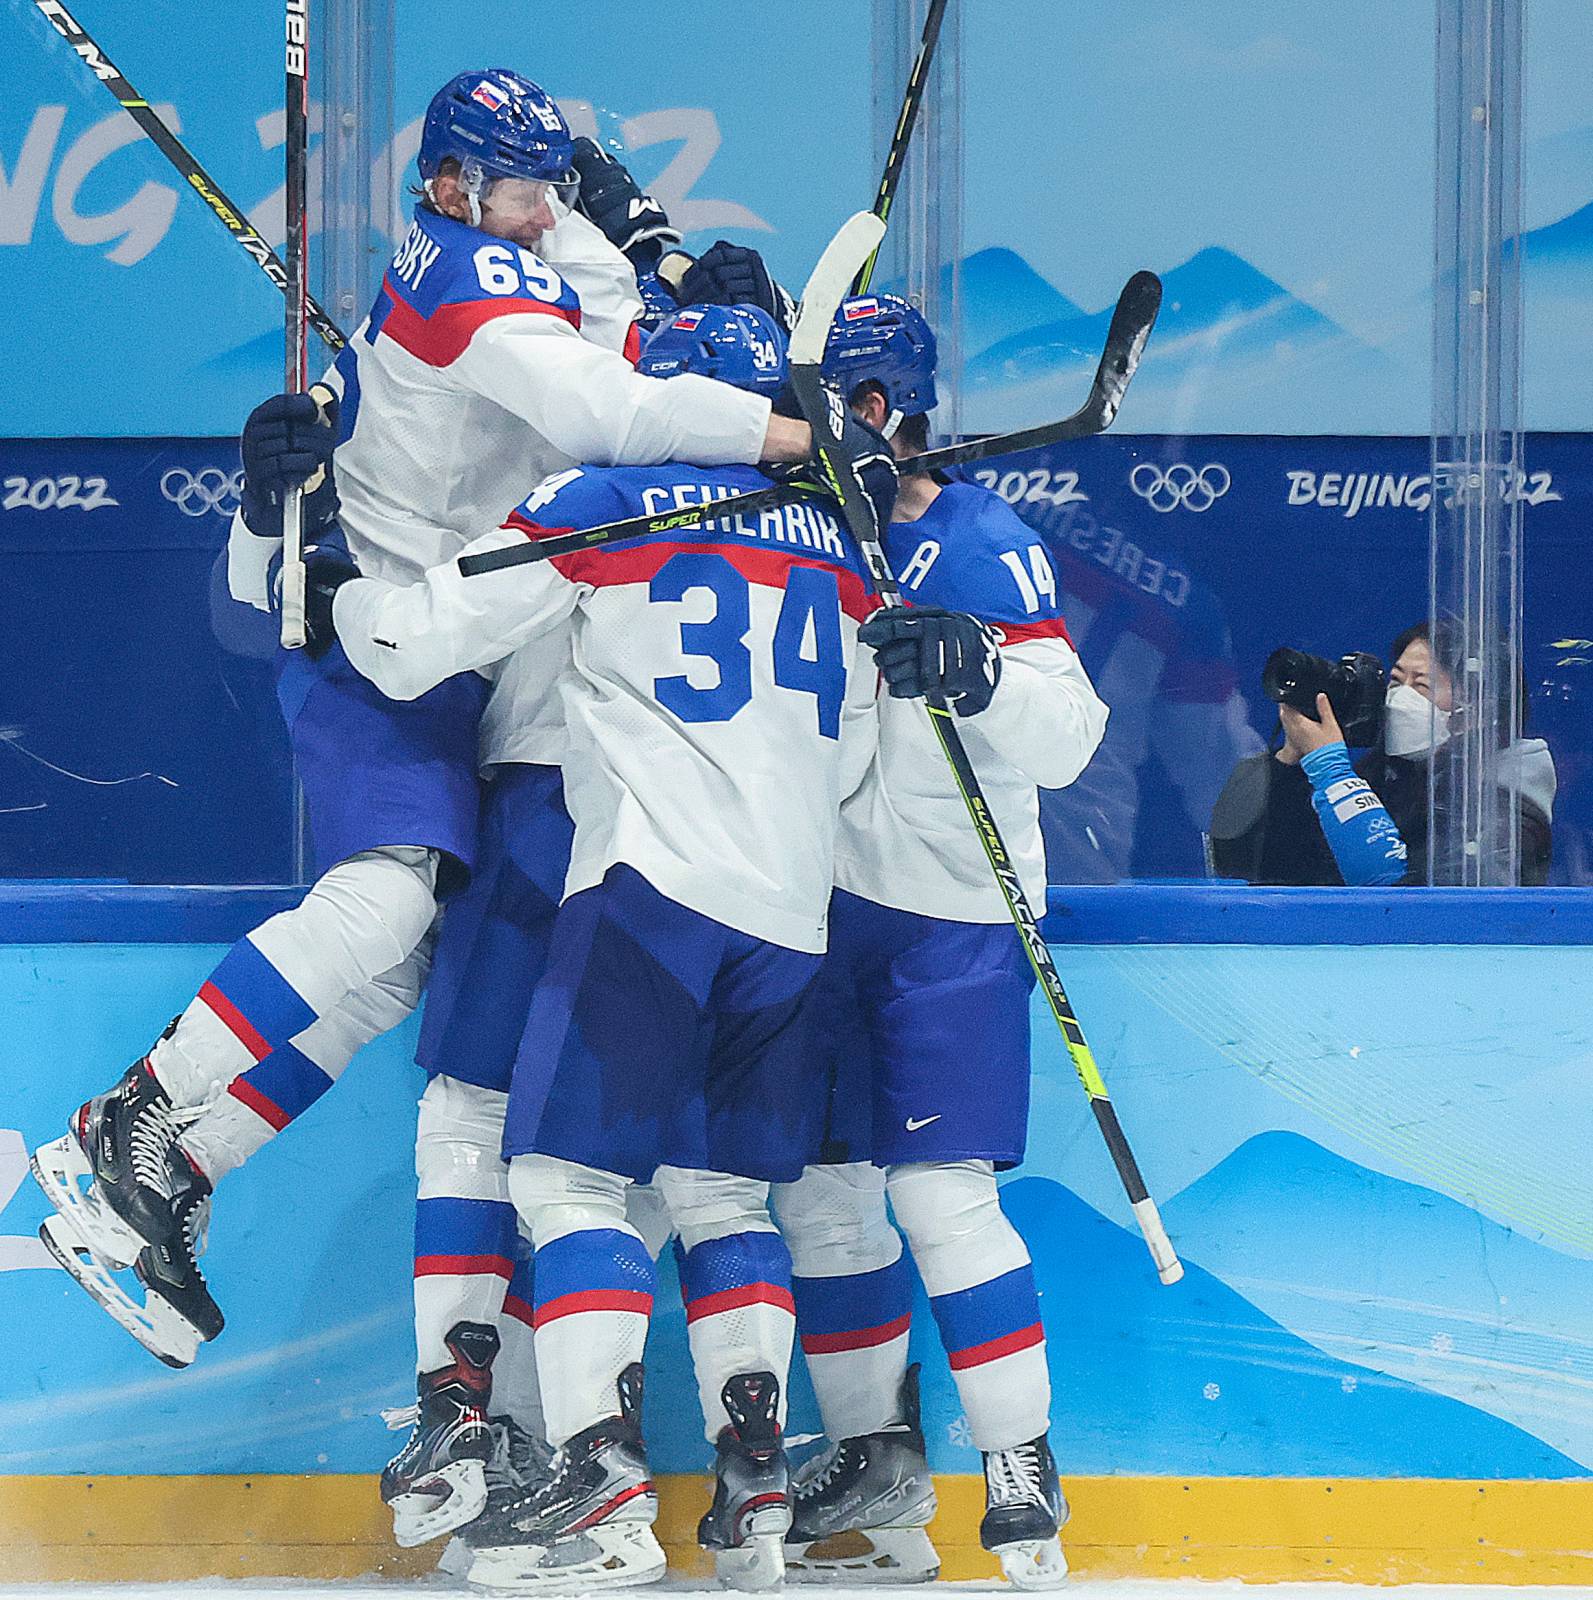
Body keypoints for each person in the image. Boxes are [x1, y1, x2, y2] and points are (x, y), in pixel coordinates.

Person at [29, 66, 835, 1375]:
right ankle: (130, 1115)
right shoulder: (468, 270)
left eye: (553, 190)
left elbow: (635, 362)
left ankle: (181, 1164)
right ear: (453, 187)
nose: (541, 212)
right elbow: (614, 414)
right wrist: (797, 435)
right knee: (390, 907)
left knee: (394, 970)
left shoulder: (515, 259)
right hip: (387, 650)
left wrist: (674, 268)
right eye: (523, 190)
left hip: (446, 658)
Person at [314, 304, 895, 1591]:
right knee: (729, 1194)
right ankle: (756, 1496)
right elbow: (856, 760)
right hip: (793, 917)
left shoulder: (603, 503)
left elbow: (420, 646)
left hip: (648, 897)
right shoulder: (849, 549)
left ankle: (602, 1486)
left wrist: (339, 592)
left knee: (567, 1183)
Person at [767, 295, 1108, 1591]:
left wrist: (976, 666)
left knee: (938, 1198)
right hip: (813, 912)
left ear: (888, 411)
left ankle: (1019, 1467)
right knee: (823, 1196)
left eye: (841, 404)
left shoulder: (982, 541)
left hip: (954, 919)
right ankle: (879, 1466)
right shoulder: (797, 536)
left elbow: (1069, 733)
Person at [1211, 621, 1555, 886]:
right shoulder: (1384, 775)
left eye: (1421, 685)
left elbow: (1410, 904)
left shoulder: (1508, 807)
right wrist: (1292, 762)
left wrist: (1333, 774)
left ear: (1476, 711)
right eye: (1395, 681)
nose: (1400, 699)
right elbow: (1262, 871)